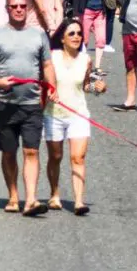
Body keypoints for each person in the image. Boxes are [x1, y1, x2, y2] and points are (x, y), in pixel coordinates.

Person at [0, 0, 55, 216]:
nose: (19, 9)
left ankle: (31, 198)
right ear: (7, 9)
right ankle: (13, 195)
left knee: (31, 151)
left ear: (28, 7)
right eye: (14, 6)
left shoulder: (39, 35)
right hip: (5, 103)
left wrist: (52, 87)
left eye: (23, 6)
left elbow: (47, 66)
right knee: (8, 153)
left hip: (32, 103)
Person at [44, 19, 105, 215]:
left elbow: (85, 85)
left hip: (78, 114)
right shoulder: (51, 57)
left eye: (79, 33)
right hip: (54, 114)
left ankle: (79, 201)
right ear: (62, 38)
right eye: (71, 33)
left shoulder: (85, 59)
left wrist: (97, 88)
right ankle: (54, 194)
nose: (77, 37)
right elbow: (41, 81)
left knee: (78, 157)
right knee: (55, 156)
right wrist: (47, 92)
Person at [74, 0, 107, 76]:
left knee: (101, 39)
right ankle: (81, 65)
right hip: (86, 11)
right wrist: (76, 13)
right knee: (85, 40)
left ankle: (97, 67)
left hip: (100, 11)